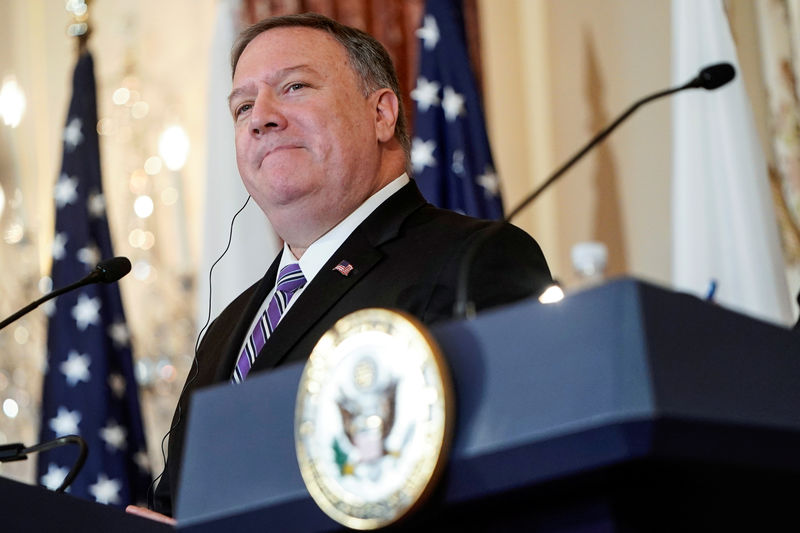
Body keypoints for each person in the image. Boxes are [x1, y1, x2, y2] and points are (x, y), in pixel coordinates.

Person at [142, 12, 553, 519]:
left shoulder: (476, 259)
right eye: (243, 105)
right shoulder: (227, 329)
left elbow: (514, 482)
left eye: (293, 87)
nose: (260, 117)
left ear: (382, 114)